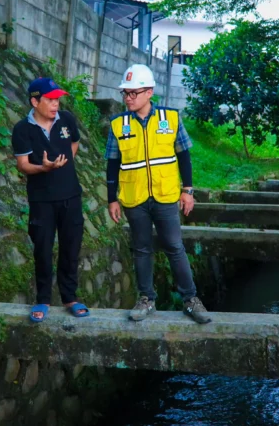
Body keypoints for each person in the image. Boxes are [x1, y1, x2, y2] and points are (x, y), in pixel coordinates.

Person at [106, 64, 211, 324]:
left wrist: (187, 190)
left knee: (174, 247)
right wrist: (111, 197)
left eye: (134, 93)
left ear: (149, 92)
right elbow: (111, 163)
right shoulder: (119, 124)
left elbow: (184, 155)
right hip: (134, 197)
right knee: (141, 249)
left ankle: (191, 300)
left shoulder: (170, 118)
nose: (128, 98)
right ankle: (146, 299)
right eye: (125, 93)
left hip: (165, 195)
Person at [12, 77, 88, 323]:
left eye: (58, 99)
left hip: (71, 196)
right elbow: (23, 165)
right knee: (43, 250)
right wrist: (45, 168)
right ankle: (43, 299)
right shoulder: (22, 129)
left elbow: (74, 142)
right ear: (35, 101)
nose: (56, 104)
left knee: (71, 248)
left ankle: (70, 298)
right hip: (42, 200)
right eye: (50, 100)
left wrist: (64, 164)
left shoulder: (66, 120)